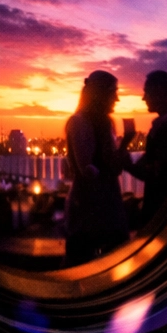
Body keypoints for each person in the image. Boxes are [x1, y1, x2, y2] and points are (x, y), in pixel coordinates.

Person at [64, 70, 130, 265]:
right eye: (113, 92)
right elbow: (89, 171)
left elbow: (108, 166)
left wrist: (124, 145)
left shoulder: (106, 123)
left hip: (108, 203)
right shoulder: (79, 122)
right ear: (100, 94)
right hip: (89, 207)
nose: (117, 98)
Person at [122, 70, 167, 225]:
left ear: (160, 91)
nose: (143, 98)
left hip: (163, 212)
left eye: (146, 92)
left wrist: (127, 165)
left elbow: (159, 174)